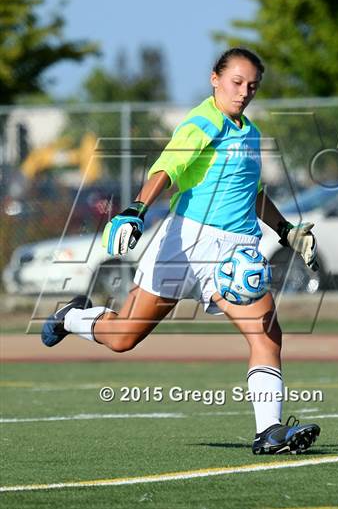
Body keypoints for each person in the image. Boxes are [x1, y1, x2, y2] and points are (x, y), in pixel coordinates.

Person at [42, 48, 320, 455]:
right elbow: (167, 168)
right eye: (236, 82)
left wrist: (285, 231)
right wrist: (136, 209)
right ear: (215, 79)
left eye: (252, 86)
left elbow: (253, 193)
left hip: (236, 253)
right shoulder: (203, 121)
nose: (244, 92)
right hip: (186, 243)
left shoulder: (251, 133)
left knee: (267, 335)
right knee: (123, 338)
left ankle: (269, 433)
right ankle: (71, 317)